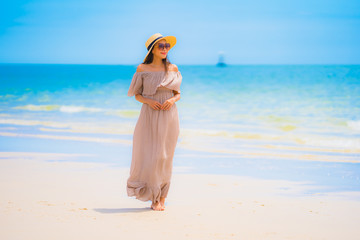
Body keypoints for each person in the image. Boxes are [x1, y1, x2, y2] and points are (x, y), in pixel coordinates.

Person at [126, 33, 182, 211]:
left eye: (167, 46)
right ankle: (153, 196)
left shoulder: (173, 68)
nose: (165, 48)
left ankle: (162, 198)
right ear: (152, 49)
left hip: (169, 115)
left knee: (165, 156)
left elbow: (178, 93)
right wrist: (149, 101)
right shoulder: (142, 69)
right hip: (149, 115)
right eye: (161, 46)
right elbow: (137, 95)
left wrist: (172, 101)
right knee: (150, 156)